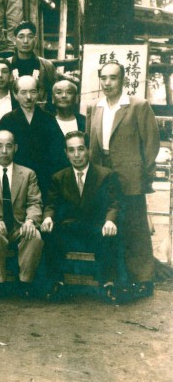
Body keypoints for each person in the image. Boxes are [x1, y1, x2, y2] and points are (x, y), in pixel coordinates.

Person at [87, 62, 159, 299]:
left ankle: (142, 279)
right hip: (104, 173)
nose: (107, 83)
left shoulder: (138, 106)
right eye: (104, 78)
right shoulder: (95, 107)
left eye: (113, 78)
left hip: (130, 175)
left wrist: (143, 174)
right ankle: (115, 278)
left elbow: (151, 144)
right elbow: (92, 145)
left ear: (123, 80)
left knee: (135, 227)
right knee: (109, 224)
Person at [42, 132, 121, 302]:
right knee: (49, 232)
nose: (76, 155)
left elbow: (113, 204)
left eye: (80, 149)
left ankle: (108, 283)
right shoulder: (59, 177)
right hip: (70, 230)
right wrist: (48, 217)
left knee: (110, 233)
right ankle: (56, 282)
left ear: (89, 151)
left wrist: (109, 220)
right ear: (66, 153)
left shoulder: (105, 175)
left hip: (95, 229)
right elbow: (51, 204)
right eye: (71, 150)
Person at [0, 131, 44, 292]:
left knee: (35, 236)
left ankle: (25, 283)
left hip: (19, 225)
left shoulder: (28, 174)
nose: (4, 151)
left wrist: (30, 221)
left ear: (15, 148)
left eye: (9, 146)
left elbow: (35, 201)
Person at [0, 76, 67, 196]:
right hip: (16, 178)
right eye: (23, 92)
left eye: (33, 92)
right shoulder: (8, 120)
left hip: (44, 178)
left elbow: (58, 151)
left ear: (39, 93)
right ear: (15, 94)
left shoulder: (48, 119)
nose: (28, 97)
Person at [10, 21, 58, 104]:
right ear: (14, 40)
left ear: (35, 40)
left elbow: (53, 95)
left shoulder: (47, 66)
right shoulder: (7, 65)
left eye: (30, 37)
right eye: (21, 37)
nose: (25, 41)